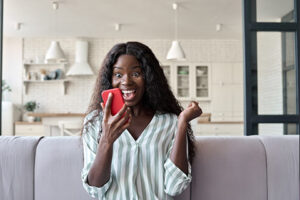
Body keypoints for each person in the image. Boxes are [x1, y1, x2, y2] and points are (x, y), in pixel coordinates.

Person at [81, 41, 202, 200]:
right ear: (110, 79)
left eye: (136, 74)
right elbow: (95, 190)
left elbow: (175, 187)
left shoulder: (170, 122)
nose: (126, 81)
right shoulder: (95, 122)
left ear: (149, 78)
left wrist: (182, 123)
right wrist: (107, 139)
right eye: (118, 75)